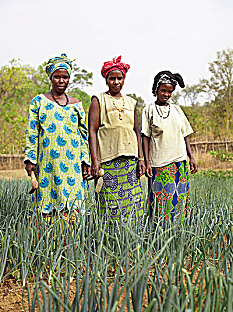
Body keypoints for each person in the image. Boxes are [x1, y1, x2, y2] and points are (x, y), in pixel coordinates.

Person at [24, 54, 90, 216]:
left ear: (69, 79)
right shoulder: (38, 102)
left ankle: (72, 240)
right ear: (51, 78)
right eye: (57, 77)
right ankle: (48, 240)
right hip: (48, 162)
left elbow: (83, 135)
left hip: (73, 164)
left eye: (65, 77)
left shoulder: (77, 104)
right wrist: (30, 158)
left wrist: (85, 160)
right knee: (48, 205)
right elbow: (32, 132)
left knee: (73, 206)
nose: (61, 80)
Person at [88, 56, 145, 225]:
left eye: (119, 78)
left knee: (133, 203)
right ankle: (109, 240)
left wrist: (140, 159)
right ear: (106, 79)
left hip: (130, 159)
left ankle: (134, 238)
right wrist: (95, 160)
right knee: (109, 203)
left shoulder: (131, 102)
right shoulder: (98, 100)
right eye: (112, 78)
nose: (116, 82)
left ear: (124, 79)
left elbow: (137, 130)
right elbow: (92, 130)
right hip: (108, 159)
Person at [141, 71, 198, 222]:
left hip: (179, 163)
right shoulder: (148, 110)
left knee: (179, 204)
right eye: (163, 90)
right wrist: (147, 162)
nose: (166, 94)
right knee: (160, 206)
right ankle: (159, 239)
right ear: (156, 90)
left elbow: (185, 135)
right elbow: (145, 137)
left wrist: (191, 157)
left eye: (170, 92)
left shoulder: (177, 110)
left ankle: (178, 238)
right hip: (159, 165)